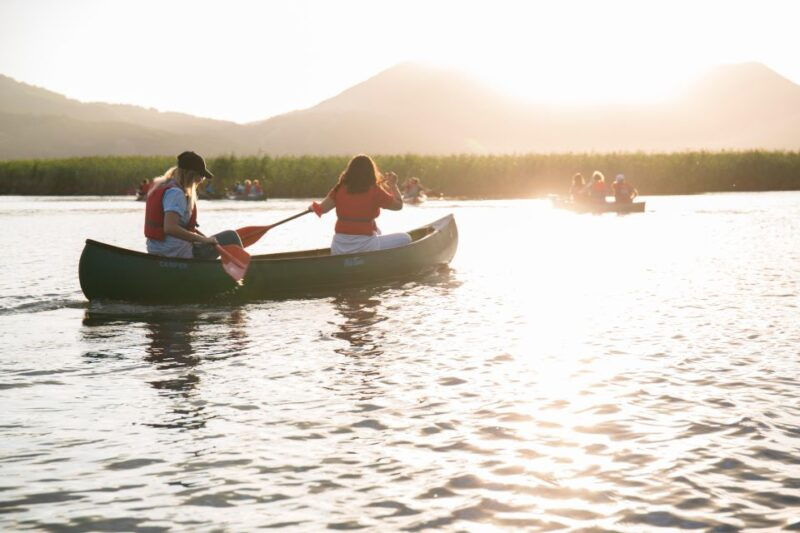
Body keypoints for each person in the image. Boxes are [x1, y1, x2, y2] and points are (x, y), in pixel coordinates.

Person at [144, 151, 242, 259]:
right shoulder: (176, 193)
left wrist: (206, 239)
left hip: (158, 250)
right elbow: (170, 228)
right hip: (175, 252)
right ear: (191, 174)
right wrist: (203, 240)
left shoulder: (164, 186)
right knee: (231, 236)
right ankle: (249, 270)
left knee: (215, 240)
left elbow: (182, 227)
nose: (202, 180)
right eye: (201, 175)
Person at [309, 154, 412, 255]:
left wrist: (312, 207)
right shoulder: (375, 191)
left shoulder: (339, 188)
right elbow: (398, 205)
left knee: (378, 231)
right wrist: (393, 185)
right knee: (406, 238)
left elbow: (322, 209)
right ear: (370, 172)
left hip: (338, 248)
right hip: (365, 246)